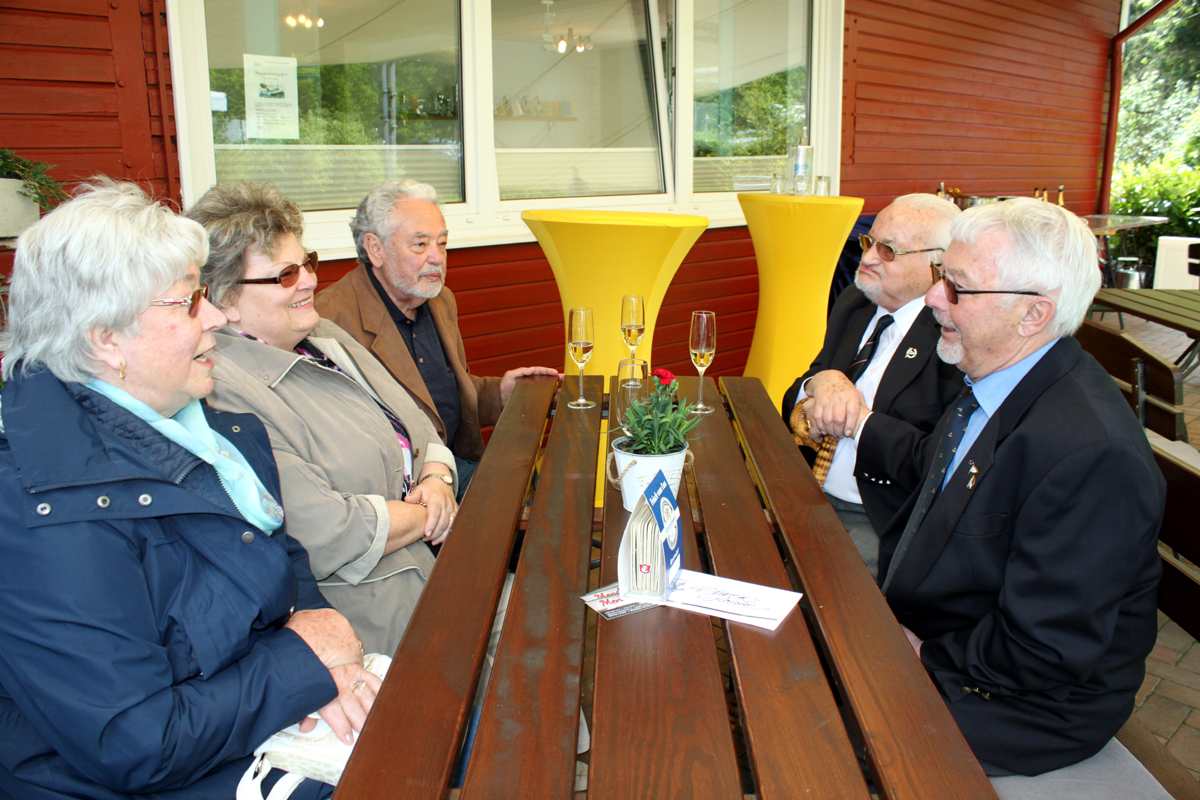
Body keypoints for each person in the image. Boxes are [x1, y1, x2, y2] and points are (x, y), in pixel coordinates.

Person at [0, 180, 377, 800]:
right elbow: (137, 742)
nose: (218, 317)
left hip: (245, 729)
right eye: (189, 301)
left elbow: (278, 560)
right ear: (105, 338)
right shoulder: (46, 507)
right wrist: (302, 663)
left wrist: (325, 658)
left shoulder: (202, 432)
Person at [879, 198, 1164, 777]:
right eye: (939, 275)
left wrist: (923, 653)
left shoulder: (1094, 455)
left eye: (957, 288)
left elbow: (1045, 650)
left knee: (813, 737)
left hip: (1021, 703)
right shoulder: (999, 375)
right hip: (953, 639)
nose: (933, 298)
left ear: (1033, 314)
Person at [188, 182, 460, 657]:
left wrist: (437, 478)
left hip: (439, 573)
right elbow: (326, 532)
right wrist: (431, 513)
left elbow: (418, 425)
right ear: (224, 299)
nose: (310, 281)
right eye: (285, 274)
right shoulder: (223, 390)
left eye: (307, 262)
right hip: (378, 623)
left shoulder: (324, 336)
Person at [315, 180, 558, 493]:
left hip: (454, 461)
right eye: (420, 244)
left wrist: (499, 393)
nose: (437, 257)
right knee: (523, 495)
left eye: (442, 244)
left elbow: (446, 393)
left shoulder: (440, 300)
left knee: (544, 483)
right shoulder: (328, 322)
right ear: (376, 248)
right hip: (403, 485)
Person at [781, 194, 964, 576]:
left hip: (881, 517)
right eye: (869, 242)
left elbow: (941, 462)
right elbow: (794, 395)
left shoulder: (951, 336)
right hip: (805, 489)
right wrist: (820, 383)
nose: (866, 258)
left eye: (888, 250)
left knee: (812, 589)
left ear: (938, 264)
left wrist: (855, 421)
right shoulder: (857, 301)